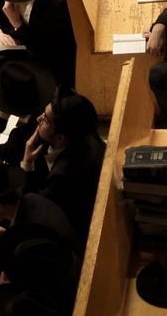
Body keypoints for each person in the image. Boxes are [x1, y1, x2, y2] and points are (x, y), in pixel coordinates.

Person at [19, 88, 104, 241]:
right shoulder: (87, 133)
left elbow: (33, 209)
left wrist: (27, 164)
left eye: (45, 119)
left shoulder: (62, 177)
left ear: (60, 138)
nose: (38, 119)